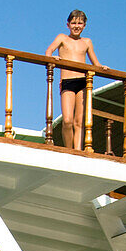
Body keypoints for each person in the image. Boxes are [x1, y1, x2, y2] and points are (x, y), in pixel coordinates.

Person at [46, 11, 106, 150]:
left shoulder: (87, 42)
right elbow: (49, 51)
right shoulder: (62, 38)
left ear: (84, 25)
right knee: (67, 120)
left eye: (79, 23)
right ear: (68, 25)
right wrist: (53, 58)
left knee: (79, 121)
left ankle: (77, 150)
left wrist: (102, 67)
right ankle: (69, 149)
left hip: (83, 82)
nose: (76, 26)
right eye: (73, 23)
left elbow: (95, 63)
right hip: (67, 81)